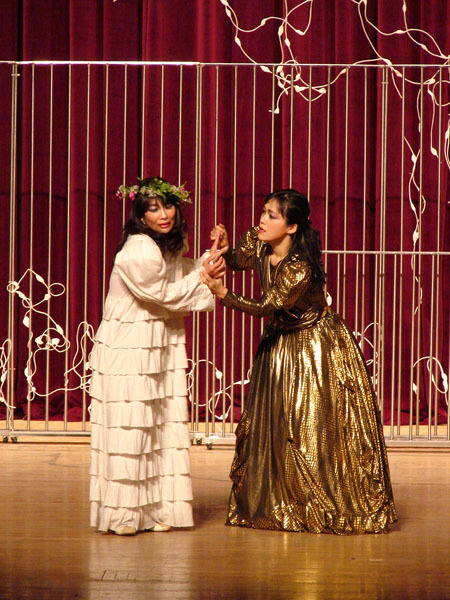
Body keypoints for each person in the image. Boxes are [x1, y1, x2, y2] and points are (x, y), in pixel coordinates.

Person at [201, 188, 397, 534]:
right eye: (264, 211)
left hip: (315, 347)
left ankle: (317, 503)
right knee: (276, 428)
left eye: (272, 215)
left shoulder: (298, 267)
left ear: (291, 227)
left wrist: (223, 294)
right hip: (280, 344)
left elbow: (266, 306)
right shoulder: (259, 241)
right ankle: (279, 502)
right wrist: (226, 249)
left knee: (309, 428)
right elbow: (239, 260)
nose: (262, 220)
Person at [89, 176, 225, 535]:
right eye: (153, 209)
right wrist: (204, 274)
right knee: (131, 427)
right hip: (130, 348)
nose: (163, 214)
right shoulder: (138, 250)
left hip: (154, 344)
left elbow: (182, 272)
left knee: (156, 426)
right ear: (140, 215)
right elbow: (163, 293)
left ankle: (152, 511)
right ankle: (123, 515)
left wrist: (211, 256)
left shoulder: (158, 246)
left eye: (167, 206)